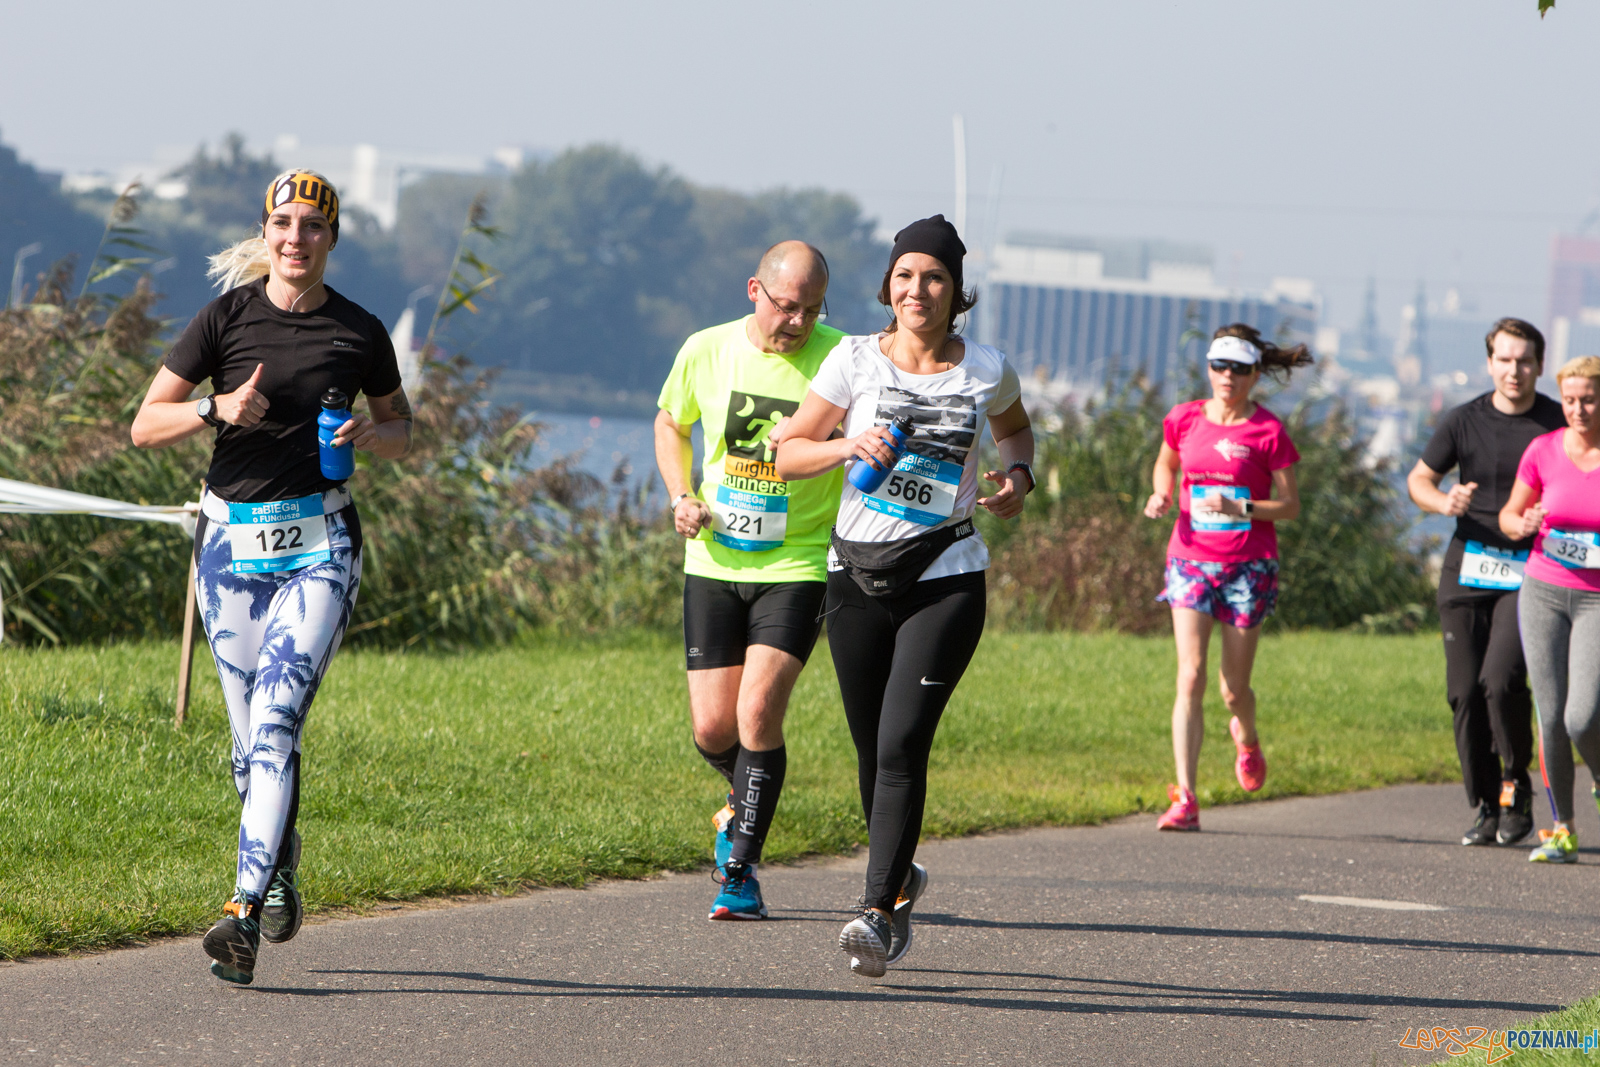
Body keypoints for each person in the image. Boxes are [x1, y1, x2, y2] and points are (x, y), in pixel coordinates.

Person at [131, 170, 411, 983]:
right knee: (247, 744)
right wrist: (214, 409)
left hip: (320, 545)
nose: (297, 238)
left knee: (278, 722)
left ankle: (242, 911)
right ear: (266, 232)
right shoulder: (225, 318)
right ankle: (279, 860)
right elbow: (145, 424)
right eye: (284, 223)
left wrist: (373, 435)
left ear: (332, 238)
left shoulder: (359, 331)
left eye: (313, 226)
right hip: (230, 552)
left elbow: (402, 427)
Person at [776, 215, 1034, 977]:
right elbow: (789, 453)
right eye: (905, 275)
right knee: (872, 750)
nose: (917, 289)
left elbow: (1016, 432)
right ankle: (899, 876)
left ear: (956, 291)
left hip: (945, 576)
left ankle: (875, 912)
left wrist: (1018, 479)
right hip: (855, 575)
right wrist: (847, 445)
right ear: (888, 286)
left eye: (934, 277)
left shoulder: (986, 369)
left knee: (900, 745)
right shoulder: (853, 360)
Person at [654, 241, 843, 920]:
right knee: (713, 728)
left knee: (757, 713)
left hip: (799, 561)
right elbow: (671, 422)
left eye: (811, 310)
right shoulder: (705, 349)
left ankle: (740, 869)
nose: (797, 322)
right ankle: (743, 799)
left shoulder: (841, 359)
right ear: (754, 290)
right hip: (714, 559)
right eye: (786, 306)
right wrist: (681, 493)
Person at [1142, 325, 1311, 831]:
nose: (1227, 376)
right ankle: (1186, 797)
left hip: (1247, 565)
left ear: (1255, 374)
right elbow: (1165, 464)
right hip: (1190, 557)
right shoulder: (1184, 418)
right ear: (1209, 367)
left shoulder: (1268, 432)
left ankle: (1248, 738)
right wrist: (1161, 494)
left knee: (1233, 690)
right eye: (1220, 366)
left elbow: (1290, 506)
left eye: (1239, 369)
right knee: (1190, 675)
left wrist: (1242, 507)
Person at [1408, 319, 1563, 847]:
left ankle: (1515, 786)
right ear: (1490, 362)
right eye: (1504, 360)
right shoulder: (1464, 420)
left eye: (1524, 361)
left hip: (1530, 571)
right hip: (1467, 566)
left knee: (1500, 680)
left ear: (1539, 365)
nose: (1514, 371)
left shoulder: (1557, 424)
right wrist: (1442, 501)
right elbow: (1419, 479)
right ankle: (1485, 803)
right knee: (1464, 692)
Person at [1498, 355, 1600, 864]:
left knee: (1583, 717)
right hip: (1543, 589)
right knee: (1552, 716)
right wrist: (1522, 523)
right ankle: (1563, 829)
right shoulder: (1543, 450)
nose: (1578, 410)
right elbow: (1509, 514)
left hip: (1596, 599)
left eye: (1589, 400)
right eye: (1570, 400)